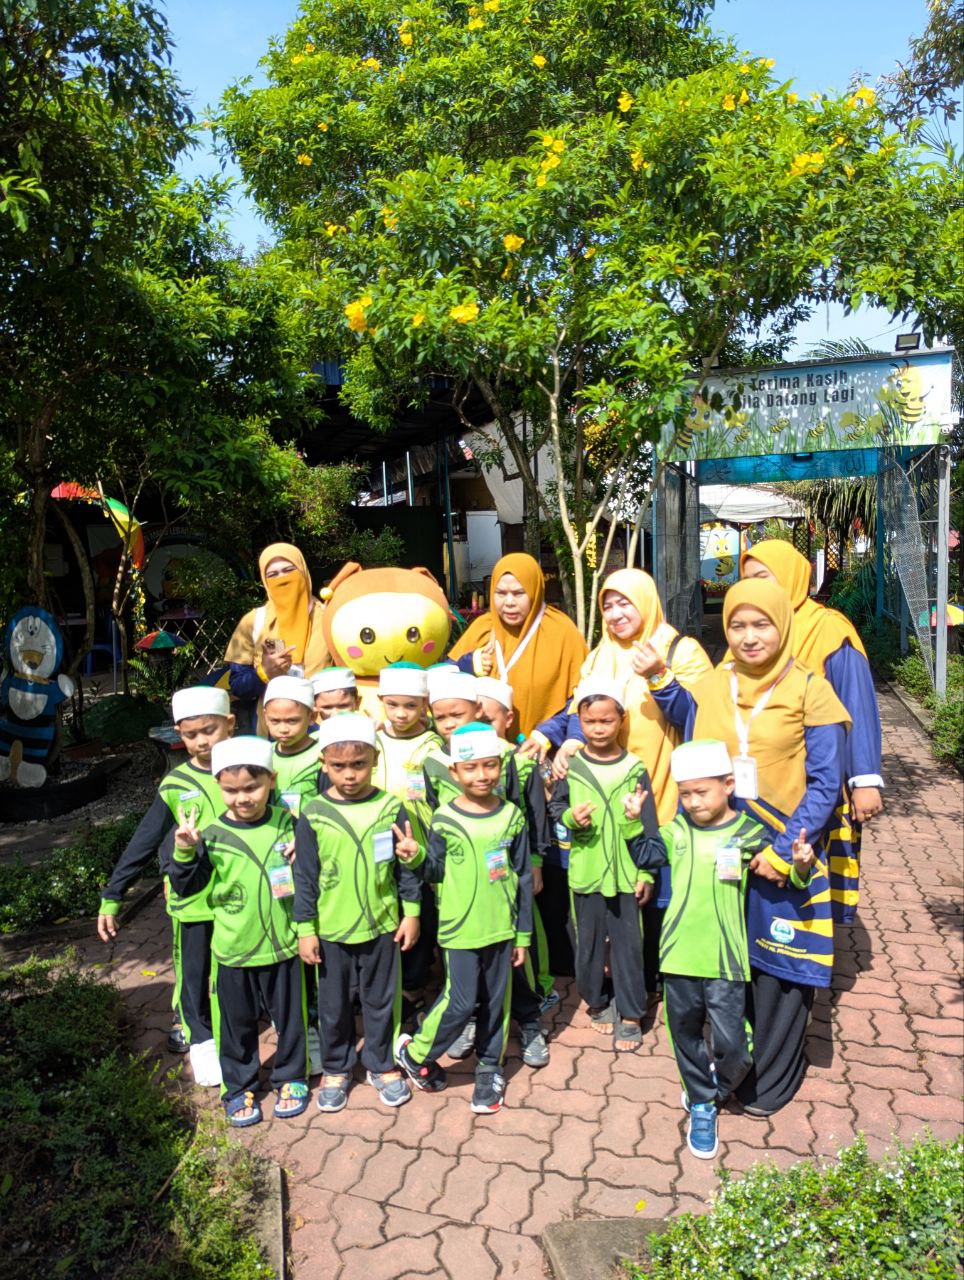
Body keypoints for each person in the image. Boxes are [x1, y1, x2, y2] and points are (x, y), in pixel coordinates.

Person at [638, 579, 851, 1115]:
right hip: (722, 845)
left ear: (784, 625)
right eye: (737, 625)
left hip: (784, 846)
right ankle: (733, 1060)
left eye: (762, 624)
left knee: (779, 965)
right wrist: (660, 679)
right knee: (734, 962)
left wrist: (782, 852)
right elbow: (693, 728)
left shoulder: (811, 690)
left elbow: (826, 783)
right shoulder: (715, 683)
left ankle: (772, 1078)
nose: (749, 637)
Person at [97, 685, 235, 1088]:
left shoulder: (249, 769)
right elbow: (144, 840)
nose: (201, 741)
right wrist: (113, 895)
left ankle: (232, 1021)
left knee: (234, 963)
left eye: (209, 730)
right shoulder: (175, 784)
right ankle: (198, 1035)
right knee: (193, 968)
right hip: (192, 899)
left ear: (230, 724)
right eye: (191, 734)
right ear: (179, 734)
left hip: (239, 896)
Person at [739, 539, 884, 922]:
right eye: (746, 580)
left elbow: (855, 703)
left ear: (790, 576)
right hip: (764, 785)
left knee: (814, 874)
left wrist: (864, 779)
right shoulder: (751, 631)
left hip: (819, 780)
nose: (753, 588)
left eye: (763, 577)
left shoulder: (827, 629)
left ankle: (815, 946)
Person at [169, 736, 308, 1127]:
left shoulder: (289, 823)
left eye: (252, 788)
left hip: (282, 945)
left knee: (290, 1019)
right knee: (236, 1025)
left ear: (271, 781)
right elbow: (187, 886)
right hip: (233, 950)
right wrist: (184, 850)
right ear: (218, 786)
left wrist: (303, 852)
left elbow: (311, 874)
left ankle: (291, 1076)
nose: (242, 798)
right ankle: (238, 1086)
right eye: (231, 790)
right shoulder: (211, 835)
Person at [656, 740, 786, 1158]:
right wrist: (629, 821)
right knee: (684, 1031)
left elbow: (781, 876)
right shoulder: (676, 831)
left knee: (733, 1046)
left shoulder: (749, 832)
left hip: (726, 956)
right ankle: (701, 1103)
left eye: (702, 792)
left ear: (728, 785)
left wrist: (798, 865)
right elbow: (644, 854)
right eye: (685, 794)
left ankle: (718, 1085)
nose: (693, 802)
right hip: (678, 952)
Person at [395, 723, 533, 1115]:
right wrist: (416, 857)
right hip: (459, 929)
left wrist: (522, 935)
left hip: (502, 929)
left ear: (500, 767)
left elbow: (522, 876)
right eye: (471, 768)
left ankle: (490, 1067)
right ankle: (416, 1052)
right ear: (455, 772)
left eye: (490, 765)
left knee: (496, 1003)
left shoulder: (512, 816)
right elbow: (435, 871)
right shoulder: (444, 818)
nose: (482, 775)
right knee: (461, 1001)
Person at [293, 714, 422, 1112]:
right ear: (323, 764)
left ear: (375, 760)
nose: (349, 775)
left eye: (359, 764)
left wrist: (412, 912)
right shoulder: (314, 812)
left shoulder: (391, 807)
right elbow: (305, 876)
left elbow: (405, 866)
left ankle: (380, 1064)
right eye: (339, 766)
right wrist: (305, 929)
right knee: (333, 1006)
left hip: (382, 926)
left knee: (381, 1000)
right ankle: (336, 1066)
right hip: (331, 931)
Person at [547, 678, 665, 1052]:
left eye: (606, 721)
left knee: (629, 947)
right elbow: (556, 807)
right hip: (586, 872)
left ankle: (631, 1013)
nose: (598, 729)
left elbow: (648, 824)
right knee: (589, 944)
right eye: (590, 721)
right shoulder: (573, 767)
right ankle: (597, 1000)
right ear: (580, 721)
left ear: (621, 720)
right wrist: (571, 818)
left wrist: (646, 872)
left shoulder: (633, 767)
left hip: (627, 874)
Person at [444, 676, 551, 1069]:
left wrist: (535, 862)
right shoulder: (444, 763)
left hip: (508, 878)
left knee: (518, 959)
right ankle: (472, 1019)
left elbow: (534, 816)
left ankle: (529, 1020)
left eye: (486, 719)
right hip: (467, 887)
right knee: (471, 965)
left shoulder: (516, 763)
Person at [448, 553, 588, 739]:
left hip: (543, 749)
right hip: (483, 750)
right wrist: (468, 664)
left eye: (519, 593)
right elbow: (443, 686)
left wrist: (548, 734)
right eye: (500, 593)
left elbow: (582, 699)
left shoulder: (562, 632)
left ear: (534, 591)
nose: (509, 602)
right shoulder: (483, 628)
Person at [224, 544, 330, 731]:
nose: (282, 579)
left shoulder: (329, 618)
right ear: (265, 581)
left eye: (289, 570)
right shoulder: (253, 622)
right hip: (274, 730)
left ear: (303, 571)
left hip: (323, 727)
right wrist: (264, 673)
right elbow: (238, 686)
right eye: (272, 575)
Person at [264, 675, 321, 820]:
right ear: (265, 717)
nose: (283, 729)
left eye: (292, 721)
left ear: (312, 717)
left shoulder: (322, 756)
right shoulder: (264, 755)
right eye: (275, 721)